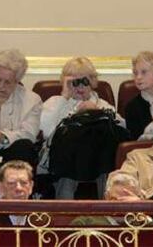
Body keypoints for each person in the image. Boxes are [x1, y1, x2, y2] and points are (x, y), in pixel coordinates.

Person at [39, 56, 126, 199]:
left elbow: (122, 128)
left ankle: (106, 209)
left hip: (97, 161)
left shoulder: (101, 103)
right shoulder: (55, 102)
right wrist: (64, 97)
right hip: (65, 160)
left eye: (85, 81)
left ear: (92, 82)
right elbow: (46, 131)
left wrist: (98, 111)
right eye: (75, 82)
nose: (80, 87)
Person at [70, 171, 153, 226]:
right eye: (115, 200)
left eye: (127, 202)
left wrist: (141, 211)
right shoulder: (85, 222)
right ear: (106, 197)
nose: (121, 208)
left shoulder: (144, 223)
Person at [0, 160, 34, 226]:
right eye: (11, 183)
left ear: (31, 187)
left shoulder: (43, 220)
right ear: (0, 188)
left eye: (23, 183)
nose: (18, 188)